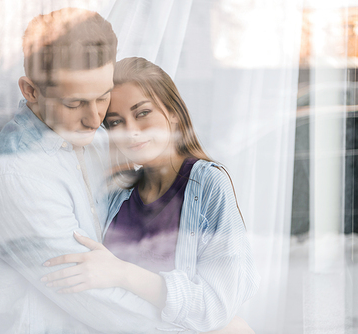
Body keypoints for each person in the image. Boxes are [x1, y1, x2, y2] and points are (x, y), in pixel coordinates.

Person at [0, 9, 195, 333]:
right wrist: (198, 324)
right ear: (30, 91)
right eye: (74, 104)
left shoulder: (98, 141)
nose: (93, 118)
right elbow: (95, 301)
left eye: (103, 97)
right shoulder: (15, 175)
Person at [41, 57, 260, 332]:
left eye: (142, 113)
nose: (131, 131)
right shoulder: (117, 192)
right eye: (116, 122)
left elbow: (214, 308)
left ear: (172, 112)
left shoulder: (208, 185)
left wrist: (122, 274)